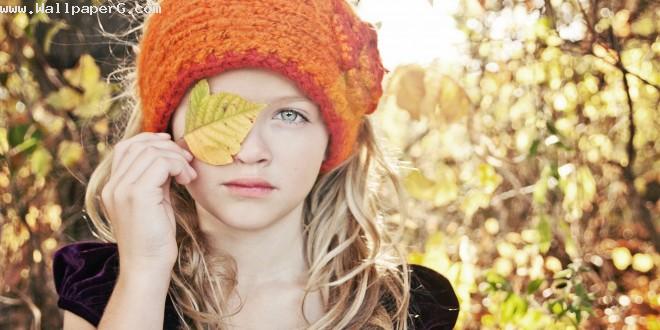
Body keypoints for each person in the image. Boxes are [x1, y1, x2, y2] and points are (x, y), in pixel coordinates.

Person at [51, 0, 459, 329]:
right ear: (166, 131)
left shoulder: (404, 306)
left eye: (289, 115)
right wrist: (145, 270)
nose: (249, 151)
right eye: (219, 112)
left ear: (331, 141)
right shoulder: (106, 288)